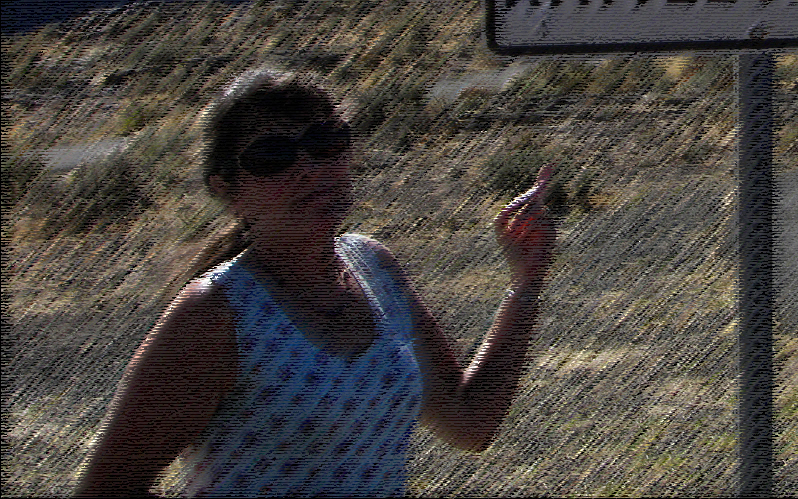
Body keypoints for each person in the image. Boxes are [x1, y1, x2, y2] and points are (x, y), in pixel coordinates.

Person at [75, 70, 557, 497]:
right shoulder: (215, 316)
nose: (310, 168)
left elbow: (469, 421)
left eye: (326, 143)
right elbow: (109, 487)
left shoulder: (374, 268)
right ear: (227, 191)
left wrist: (525, 284)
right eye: (273, 157)